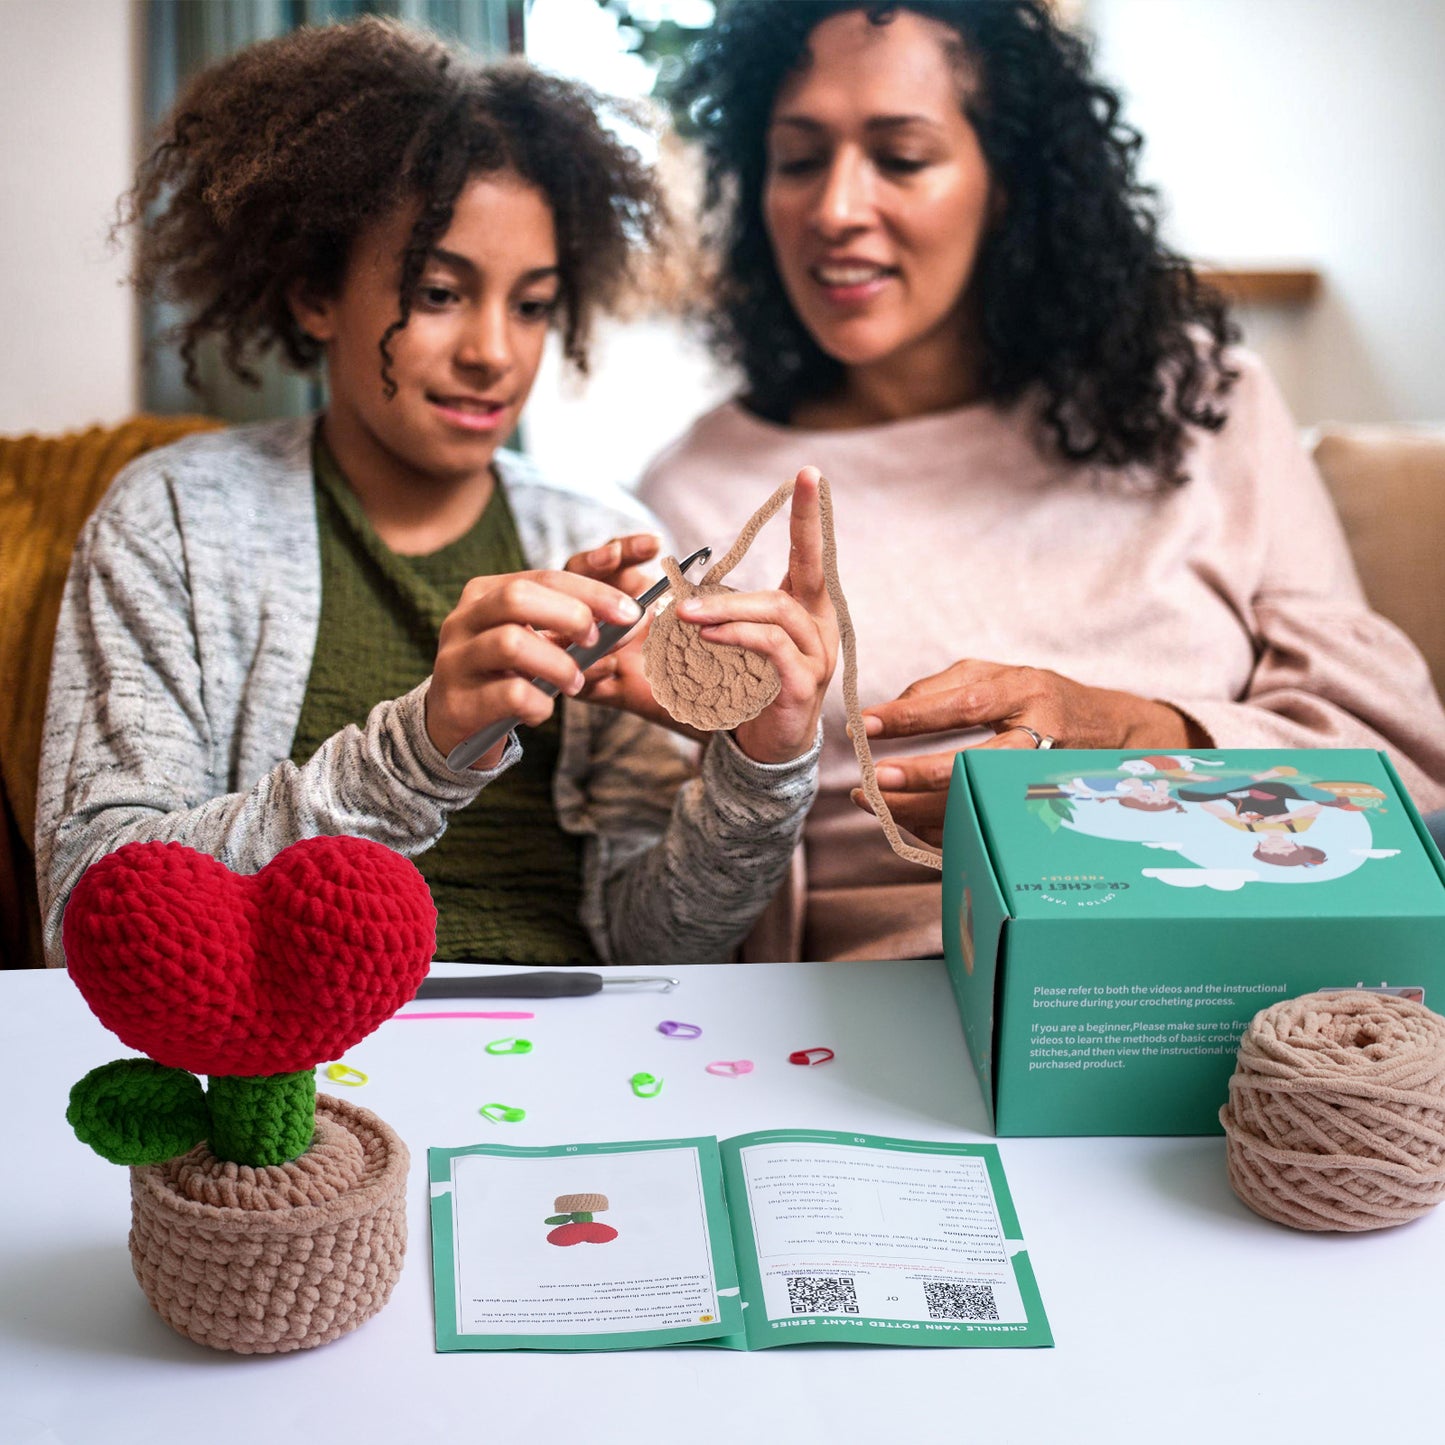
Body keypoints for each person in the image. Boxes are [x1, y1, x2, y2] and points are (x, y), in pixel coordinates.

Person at [627, 0, 1445, 961]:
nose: (836, 208)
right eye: (799, 160)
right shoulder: (694, 494)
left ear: (1006, 185)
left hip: (1247, 965)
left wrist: (1124, 736)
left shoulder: (1198, 402)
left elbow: (1400, 764)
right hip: (892, 1000)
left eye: (901, 157)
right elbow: (668, 897)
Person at [36, 18, 837, 968]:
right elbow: (97, 909)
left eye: (532, 305)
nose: (494, 353)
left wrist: (761, 765)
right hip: (290, 1066)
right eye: (438, 292)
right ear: (314, 292)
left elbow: (660, 942)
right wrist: (419, 748)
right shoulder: (177, 520)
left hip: (573, 1053)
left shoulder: (605, 535)